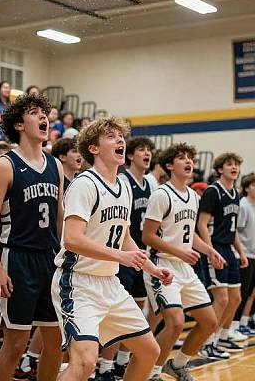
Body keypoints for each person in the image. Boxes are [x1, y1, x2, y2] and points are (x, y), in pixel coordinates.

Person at [52, 118, 169, 381]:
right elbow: (71, 239)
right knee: (84, 362)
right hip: (78, 283)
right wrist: (120, 256)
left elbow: (124, 236)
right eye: (111, 137)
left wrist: (151, 267)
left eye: (120, 136)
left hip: (110, 284)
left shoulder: (124, 185)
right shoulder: (85, 184)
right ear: (93, 148)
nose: (120, 140)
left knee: (150, 351)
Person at [0, 93, 65, 381]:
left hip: (50, 260)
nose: (43, 117)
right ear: (18, 124)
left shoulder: (56, 166)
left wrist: (66, 259)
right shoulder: (5, 166)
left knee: (55, 344)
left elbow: (59, 215)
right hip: (18, 259)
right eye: (34, 112)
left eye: (44, 112)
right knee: (16, 344)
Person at [143, 143, 222, 381]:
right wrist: (179, 252)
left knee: (210, 322)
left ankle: (177, 365)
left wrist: (209, 250)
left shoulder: (193, 197)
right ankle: (151, 372)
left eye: (191, 158)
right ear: (169, 165)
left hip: (184, 267)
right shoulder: (161, 194)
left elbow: (190, 234)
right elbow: (147, 236)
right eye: (181, 158)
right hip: (162, 266)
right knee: (175, 323)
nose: (189, 162)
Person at [96, 136, 155, 380]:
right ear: (130, 155)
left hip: (136, 252)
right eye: (141, 149)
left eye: (149, 150)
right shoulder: (121, 180)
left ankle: (121, 361)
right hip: (116, 254)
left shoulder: (149, 185)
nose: (147, 153)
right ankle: (106, 365)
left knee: (137, 307)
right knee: (115, 317)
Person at [196, 152, 248, 356]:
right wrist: (210, 252)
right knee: (222, 299)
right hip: (214, 246)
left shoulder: (235, 193)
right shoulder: (212, 191)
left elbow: (232, 229)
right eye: (229, 164)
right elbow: (201, 224)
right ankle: (206, 343)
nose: (234, 168)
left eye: (236, 164)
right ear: (219, 169)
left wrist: (241, 252)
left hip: (229, 248)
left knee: (236, 298)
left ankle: (222, 337)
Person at [234, 173, 255, 336]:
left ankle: (243, 321)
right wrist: (241, 253)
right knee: (241, 293)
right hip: (244, 255)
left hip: (254, 255)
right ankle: (234, 326)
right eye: (253, 185)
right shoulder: (243, 205)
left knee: (251, 292)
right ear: (247, 188)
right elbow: (236, 232)